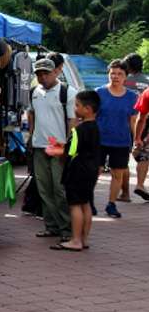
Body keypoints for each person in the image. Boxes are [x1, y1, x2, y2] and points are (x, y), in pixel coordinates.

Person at [28, 56, 75, 241]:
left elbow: (72, 120)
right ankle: (51, 226)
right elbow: (31, 114)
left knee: (59, 189)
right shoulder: (34, 91)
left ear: (54, 72)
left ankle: (66, 229)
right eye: (39, 74)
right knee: (44, 189)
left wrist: (69, 146)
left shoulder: (67, 92)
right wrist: (30, 137)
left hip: (59, 146)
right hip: (39, 146)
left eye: (45, 73)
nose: (42, 77)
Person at [55, 90, 101, 251]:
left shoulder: (78, 130)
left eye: (77, 105)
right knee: (86, 204)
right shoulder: (95, 128)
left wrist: (58, 151)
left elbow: (71, 152)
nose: (75, 108)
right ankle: (84, 239)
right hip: (91, 171)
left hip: (77, 172)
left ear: (87, 109)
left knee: (75, 205)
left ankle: (75, 240)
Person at [96, 59, 138, 218]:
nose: (115, 76)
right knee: (95, 171)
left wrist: (135, 141)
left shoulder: (132, 97)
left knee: (117, 174)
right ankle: (89, 202)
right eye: (112, 73)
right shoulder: (99, 93)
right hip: (99, 140)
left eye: (120, 74)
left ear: (125, 77)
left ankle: (111, 204)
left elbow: (133, 121)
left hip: (121, 141)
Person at [121, 53, 148, 201]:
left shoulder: (123, 80)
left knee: (121, 159)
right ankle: (139, 184)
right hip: (143, 123)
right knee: (144, 155)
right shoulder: (147, 82)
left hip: (123, 122)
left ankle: (124, 193)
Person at [134, 82, 149, 202]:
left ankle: (139, 184)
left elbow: (141, 118)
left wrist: (137, 138)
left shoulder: (147, 92)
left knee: (144, 156)